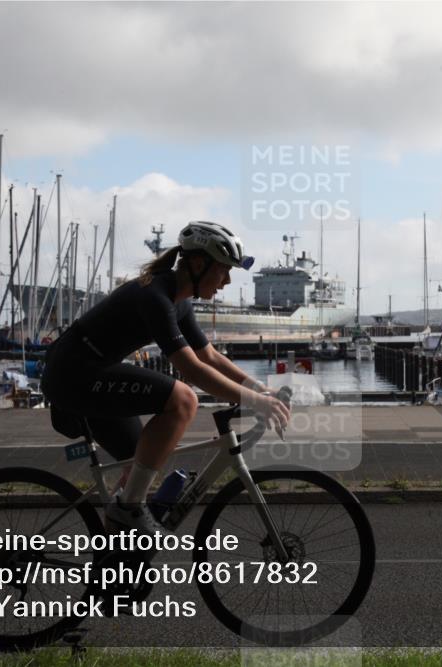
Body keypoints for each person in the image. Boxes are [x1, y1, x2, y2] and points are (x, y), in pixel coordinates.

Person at [41, 221, 290, 536]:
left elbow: (209, 356)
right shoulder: (155, 296)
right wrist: (256, 401)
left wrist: (260, 389)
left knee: (143, 461)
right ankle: (128, 510)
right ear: (198, 264)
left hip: (87, 372)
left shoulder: (179, 301)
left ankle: (115, 552)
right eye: (223, 270)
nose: (227, 281)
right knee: (183, 400)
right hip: (72, 374)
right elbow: (192, 370)